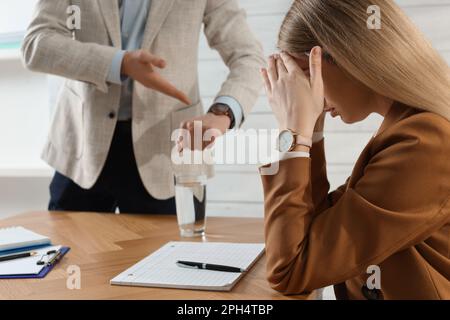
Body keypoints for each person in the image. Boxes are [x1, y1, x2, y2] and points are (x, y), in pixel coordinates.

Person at [260, 0, 450, 299]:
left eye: (307, 75)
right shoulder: (406, 127)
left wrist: (293, 134)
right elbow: (317, 231)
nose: (313, 94)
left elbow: (291, 270)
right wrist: (310, 129)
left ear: (348, 57)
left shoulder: (424, 142)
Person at [21, 0, 264, 214]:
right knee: (69, 263)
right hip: (81, 149)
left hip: (168, 155)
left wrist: (222, 114)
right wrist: (119, 63)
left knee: (171, 264)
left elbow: (248, 57)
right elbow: (37, 43)